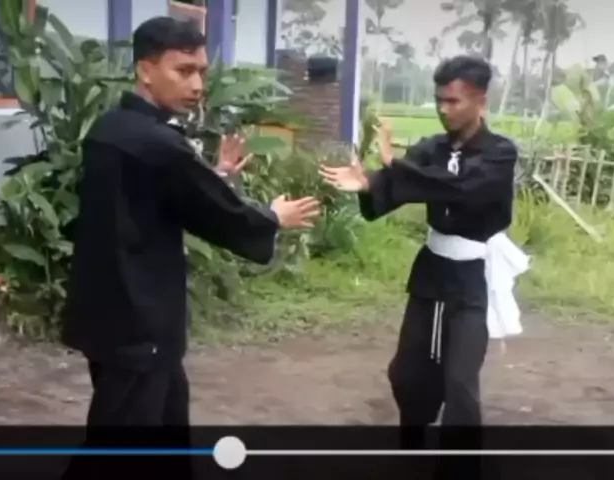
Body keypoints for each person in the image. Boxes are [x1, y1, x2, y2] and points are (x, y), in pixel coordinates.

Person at [60, 16, 319, 478]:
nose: (197, 85)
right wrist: (272, 217)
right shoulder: (157, 143)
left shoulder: (109, 129)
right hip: (138, 321)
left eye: (200, 71)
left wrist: (215, 175)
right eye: (183, 71)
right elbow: (219, 213)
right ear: (145, 70)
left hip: (111, 314)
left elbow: (158, 199)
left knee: (162, 432)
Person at [320, 55, 528, 476]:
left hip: (474, 278)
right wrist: (370, 183)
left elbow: (464, 188)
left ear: (480, 100)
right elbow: (395, 188)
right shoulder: (431, 149)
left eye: (454, 101)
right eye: (439, 100)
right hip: (432, 272)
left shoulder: (499, 153)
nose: (443, 109)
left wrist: (397, 167)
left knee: (461, 383)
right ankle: (413, 443)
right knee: (407, 374)